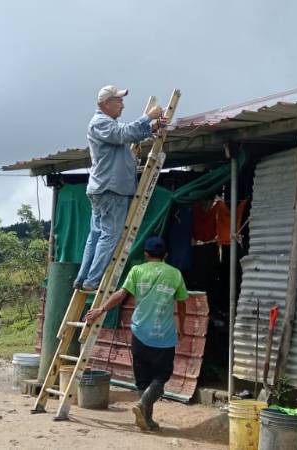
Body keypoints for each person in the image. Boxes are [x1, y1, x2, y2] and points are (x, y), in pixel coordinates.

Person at [84, 236, 188, 431]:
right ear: (165, 255)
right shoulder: (175, 274)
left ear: (146, 254)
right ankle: (143, 409)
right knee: (162, 376)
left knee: (142, 379)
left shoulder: (137, 270)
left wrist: (101, 310)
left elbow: (121, 294)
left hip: (139, 333)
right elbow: (182, 304)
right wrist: (181, 327)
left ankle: (146, 419)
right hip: (163, 337)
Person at [73, 85, 167, 291]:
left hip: (105, 188)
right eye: (119, 100)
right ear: (106, 103)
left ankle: (83, 278)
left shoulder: (105, 124)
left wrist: (150, 128)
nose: (122, 105)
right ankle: (92, 280)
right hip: (111, 189)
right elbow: (123, 133)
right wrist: (147, 118)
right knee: (109, 236)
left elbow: (127, 134)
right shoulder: (100, 123)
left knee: (97, 235)